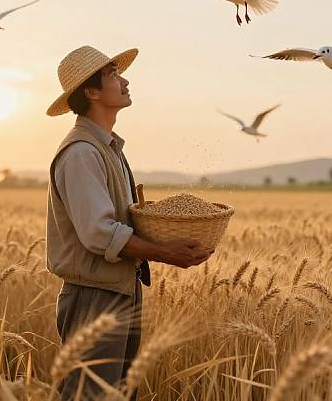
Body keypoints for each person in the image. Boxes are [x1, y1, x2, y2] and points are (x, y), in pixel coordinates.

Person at [46, 45, 213, 400]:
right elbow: (99, 233)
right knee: (91, 396)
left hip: (119, 288)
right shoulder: (82, 153)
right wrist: (164, 251)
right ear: (91, 92)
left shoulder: (107, 149)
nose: (124, 80)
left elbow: (118, 221)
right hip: (94, 296)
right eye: (113, 75)